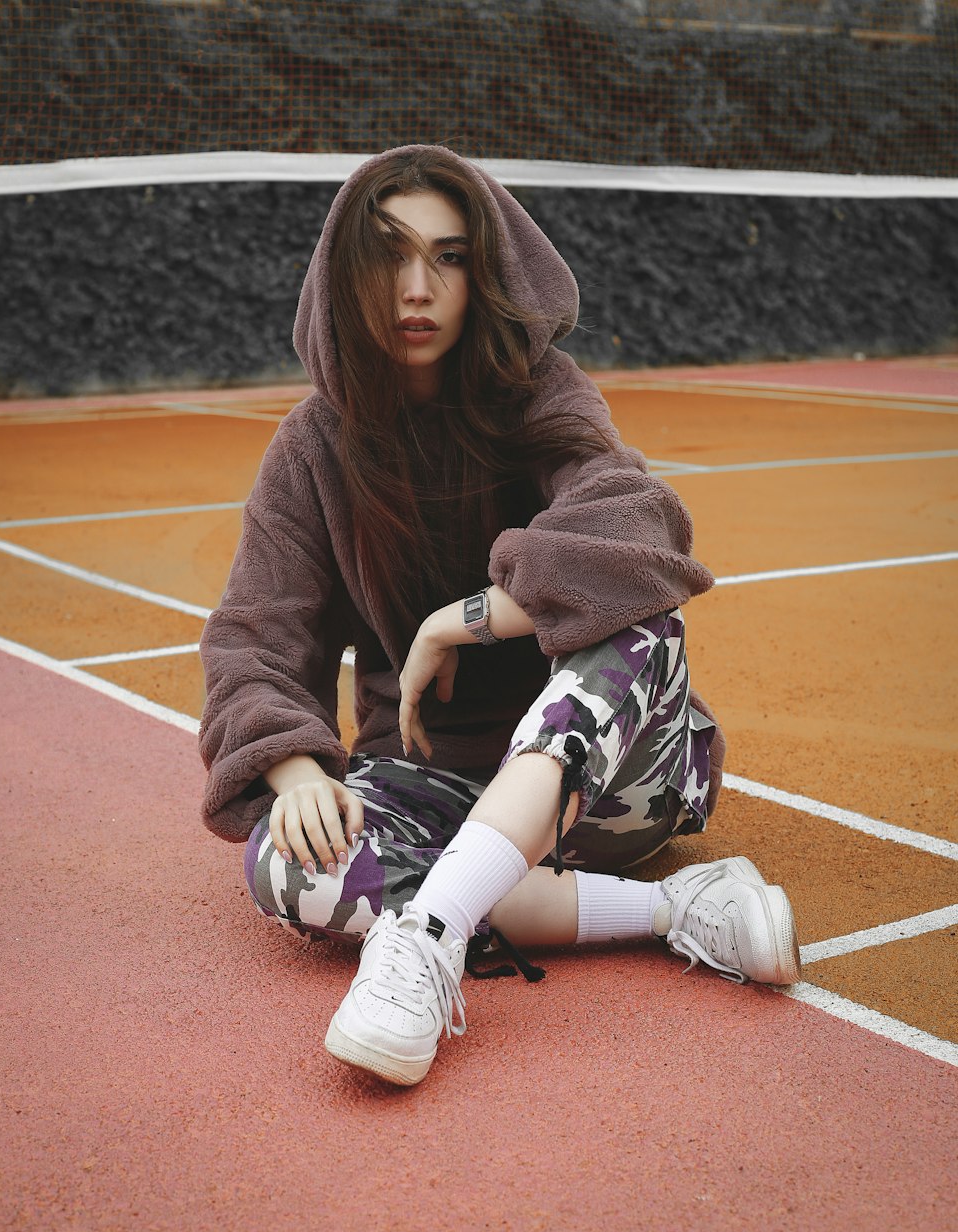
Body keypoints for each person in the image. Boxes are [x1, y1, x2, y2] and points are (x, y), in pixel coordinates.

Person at [199, 144, 801, 1087]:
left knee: (641, 622)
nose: (417, 286)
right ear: (346, 275)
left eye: (449, 257)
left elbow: (637, 522)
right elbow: (253, 633)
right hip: (439, 782)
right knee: (286, 863)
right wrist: (294, 768)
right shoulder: (312, 447)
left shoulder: (538, 394)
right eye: (391, 254)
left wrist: (464, 618)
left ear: (486, 273)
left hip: (612, 788)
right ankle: (676, 909)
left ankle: (431, 934)